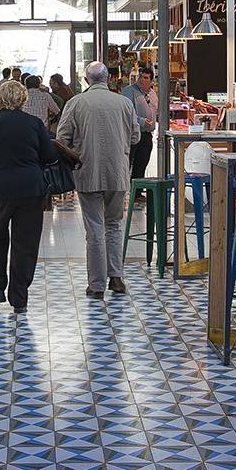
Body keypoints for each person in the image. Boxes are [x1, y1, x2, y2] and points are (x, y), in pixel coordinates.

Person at [0, 79, 58, 313]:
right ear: (23, 100)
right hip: (30, 189)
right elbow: (50, 156)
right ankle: (19, 297)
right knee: (25, 242)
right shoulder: (34, 123)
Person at [57, 60, 140, 298]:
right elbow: (135, 137)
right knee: (114, 225)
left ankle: (96, 285)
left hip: (87, 171)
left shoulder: (75, 103)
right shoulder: (124, 103)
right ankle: (116, 278)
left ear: (86, 80)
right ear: (108, 79)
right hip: (118, 172)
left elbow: (62, 138)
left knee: (94, 228)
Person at [121, 64, 158, 180]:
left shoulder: (153, 94)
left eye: (146, 78)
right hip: (132, 134)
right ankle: (124, 190)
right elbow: (126, 113)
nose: (142, 80)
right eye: (141, 77)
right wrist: (141, 121)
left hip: (147, 135)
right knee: (127, 164)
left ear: (152, 81)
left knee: (141, 164)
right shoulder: (128, 91)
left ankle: (137, 192)